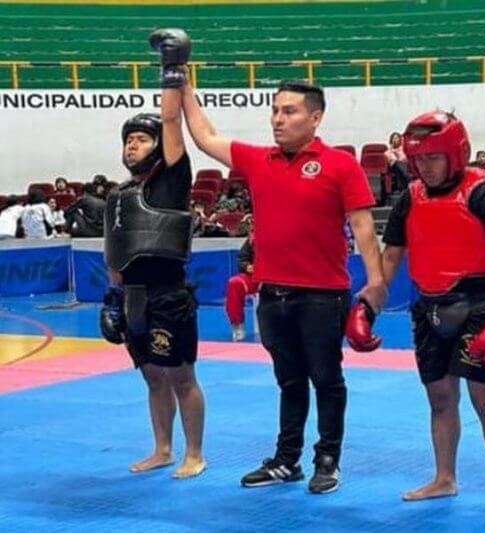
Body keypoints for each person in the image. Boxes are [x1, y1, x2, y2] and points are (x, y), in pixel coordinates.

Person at [168, 28, 387, 493]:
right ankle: (287, 459)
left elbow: (365, 228)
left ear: (315, 117)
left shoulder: (339, 165)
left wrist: (376, 284)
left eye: (288, 111)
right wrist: (181, 82)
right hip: (272, 294)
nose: (277, 119)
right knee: (289, 381)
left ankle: (327, 458)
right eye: (274, 110)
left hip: (323, 296)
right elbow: (204, 135)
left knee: (327, 379)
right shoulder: (258, 159)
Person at [381, 111, 485, 515]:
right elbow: (391, 254)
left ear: (454, 153)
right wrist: (369, 301)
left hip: (478, 304)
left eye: (432, 158)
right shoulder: (411, 196)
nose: (424, 167)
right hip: (428, 306)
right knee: (440, 398)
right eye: (418, 159)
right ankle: (444, 478)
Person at [100, 28, 206, 479]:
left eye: (140, 140)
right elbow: (116, 254)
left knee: (181, 376)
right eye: (127, 140)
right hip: (134, 298)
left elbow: (170, 124)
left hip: (169, 295)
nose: (132, 145)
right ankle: (162, 448)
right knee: (151, 376)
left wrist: (172, 71)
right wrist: (113, 300)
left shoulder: (171, 178)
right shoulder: (120, 193)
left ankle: (194, 453)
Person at [225, 215, 259, 341]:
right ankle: (237, 325)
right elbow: (242, 258)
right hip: (256, 278)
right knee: (234, 283)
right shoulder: (252, 239)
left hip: (277, 278)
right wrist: (247, 266)